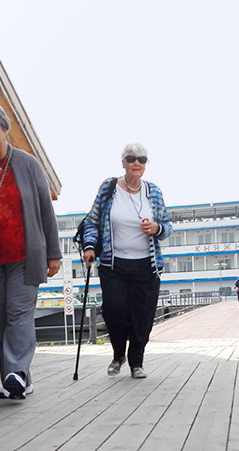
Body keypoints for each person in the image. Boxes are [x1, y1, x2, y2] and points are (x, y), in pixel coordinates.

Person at [0, 102, 61, 400]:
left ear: (5, 128)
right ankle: (17, 379)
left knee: (19, 314)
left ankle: (14, 373)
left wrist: (53, 253)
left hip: (23, 255)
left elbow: (45, 210)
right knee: (0, 319)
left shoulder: (28, 165)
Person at [81, 143, 172, 379]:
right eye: (131, 158)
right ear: (123, 162)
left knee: (143, 317)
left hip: (147, 265)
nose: (137, 163)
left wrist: (156, 228)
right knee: (114, 312)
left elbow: (167, 226)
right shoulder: (109, 188)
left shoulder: (153, 192)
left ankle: (136, 362)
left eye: (142, 159)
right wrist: (89, 247)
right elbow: (92, 221)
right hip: (114, 264)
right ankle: (118, 354)